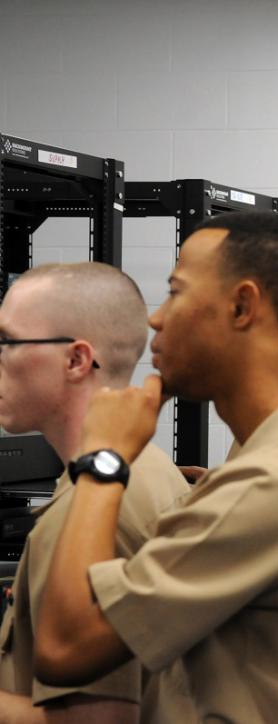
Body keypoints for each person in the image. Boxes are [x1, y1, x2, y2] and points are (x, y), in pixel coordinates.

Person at [32, 211, 278, 724]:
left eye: (176, 291)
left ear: (242, 305)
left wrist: (103, 460)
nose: (156, 319)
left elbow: (65, 646)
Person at [0, 263, 193, 724]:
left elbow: (97, 721)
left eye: (7, 342)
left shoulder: (92, 508)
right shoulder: (147, 469)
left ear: (76, 360)